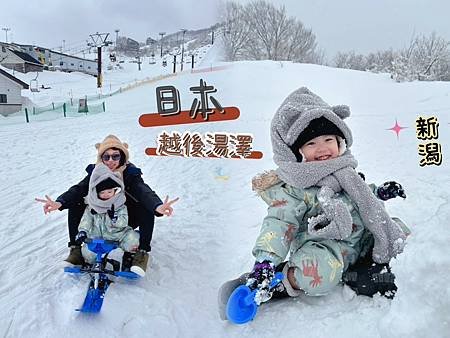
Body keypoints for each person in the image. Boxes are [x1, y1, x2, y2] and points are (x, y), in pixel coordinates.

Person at [219, 88, 409, 315]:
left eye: (328, 139)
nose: (321, 148)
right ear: (296, 152)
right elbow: (279, 222)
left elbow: (362, 199)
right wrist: (265, 262)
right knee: (317, 274)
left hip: (359, 239)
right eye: (311, 144)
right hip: (324, 247)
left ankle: (365, 265)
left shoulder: (346, 173)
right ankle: (277, 281)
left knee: (397, 229)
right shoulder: (295, 188)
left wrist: (380, 193)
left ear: (340, 143)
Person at [36, 135, 178, 275]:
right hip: (99, 219)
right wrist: (60, 202)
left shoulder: (129, 173)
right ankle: (76, 250)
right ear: (101, 158)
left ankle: (141, 252)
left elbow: (143, 191)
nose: (111, 161)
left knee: (145, 206)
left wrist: (157, 206)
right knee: (76, 202)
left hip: (123, 217)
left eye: (115, 156)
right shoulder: (95, 172)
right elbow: (79, 189)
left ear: (122, 157)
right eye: (106, 157)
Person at [75, 163, 146, 276]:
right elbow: (86, 221)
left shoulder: (120, 205)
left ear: (115, 191)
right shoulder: (92, 207)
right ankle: (94, 261)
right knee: (88, 254)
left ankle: (130, 260)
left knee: (133, 241)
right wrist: (83, 231)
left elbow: (124, 222)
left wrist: (114, 218)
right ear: (96, 193)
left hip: (118, 235)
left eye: (109, 192)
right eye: (102, 192)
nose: (106, 195)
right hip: (97, 236)